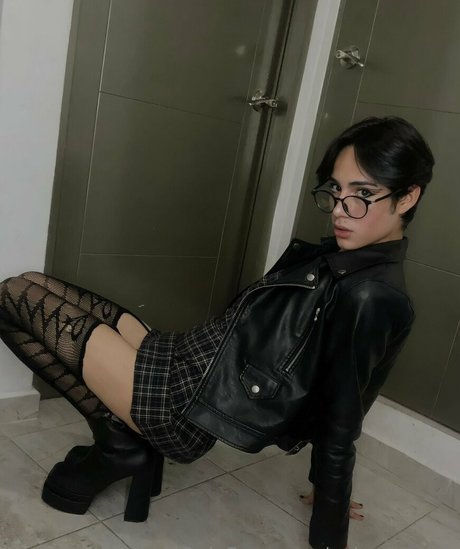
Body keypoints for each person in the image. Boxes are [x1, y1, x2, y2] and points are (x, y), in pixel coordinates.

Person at [0, 116, 434, 548]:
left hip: (179, 405)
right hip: (181, 357)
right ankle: (120, 440)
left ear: (408, 197)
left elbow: (345, 415)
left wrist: (328, 528)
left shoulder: (371, 296)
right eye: (336, 190)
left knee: (11, 296)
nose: (340, 209)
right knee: (32, 283)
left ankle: (122, 446)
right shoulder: (347, 259)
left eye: (363, 194)